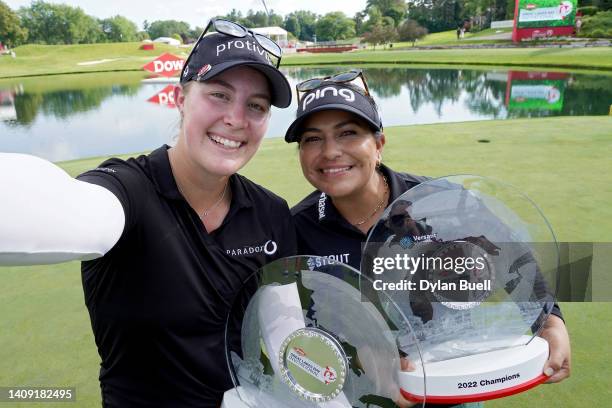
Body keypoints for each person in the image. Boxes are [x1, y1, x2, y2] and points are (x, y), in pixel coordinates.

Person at [0, 19, 296, 407]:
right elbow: (67, 211)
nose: (237, 119)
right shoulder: (129, 191)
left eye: (255, 105)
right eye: (219, 95)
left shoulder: (271, 212)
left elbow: (285, 333)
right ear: (181, 98)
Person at [286, 70, 571, 407]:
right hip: (358, 395)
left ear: (378, 144)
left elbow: (512, 260)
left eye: (348, 133)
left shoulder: (445, 201)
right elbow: (298, 325)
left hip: (451, 387)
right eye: (313, 139)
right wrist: (355, 357)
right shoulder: (295, 228)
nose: (330, 151)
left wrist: (549, 319)